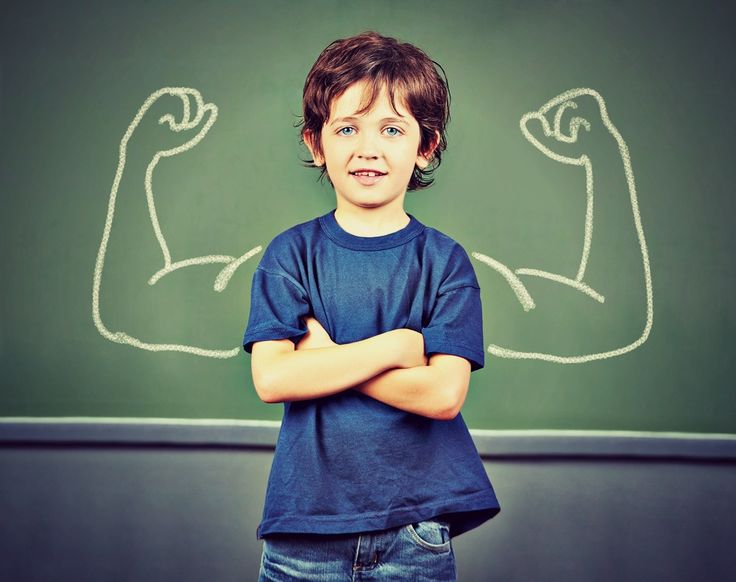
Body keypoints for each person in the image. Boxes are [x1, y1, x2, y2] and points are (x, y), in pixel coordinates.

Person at [243, 30, 500, 581]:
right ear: (317, 144)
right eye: (347, 128)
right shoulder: (290, 255)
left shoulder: (445, 262)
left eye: (391, 129)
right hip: (303, 531)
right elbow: (272, 380)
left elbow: (442, 394)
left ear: (425, 146)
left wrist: (326, 358)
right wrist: (398, 346)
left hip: (415, 531)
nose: (368, 148)